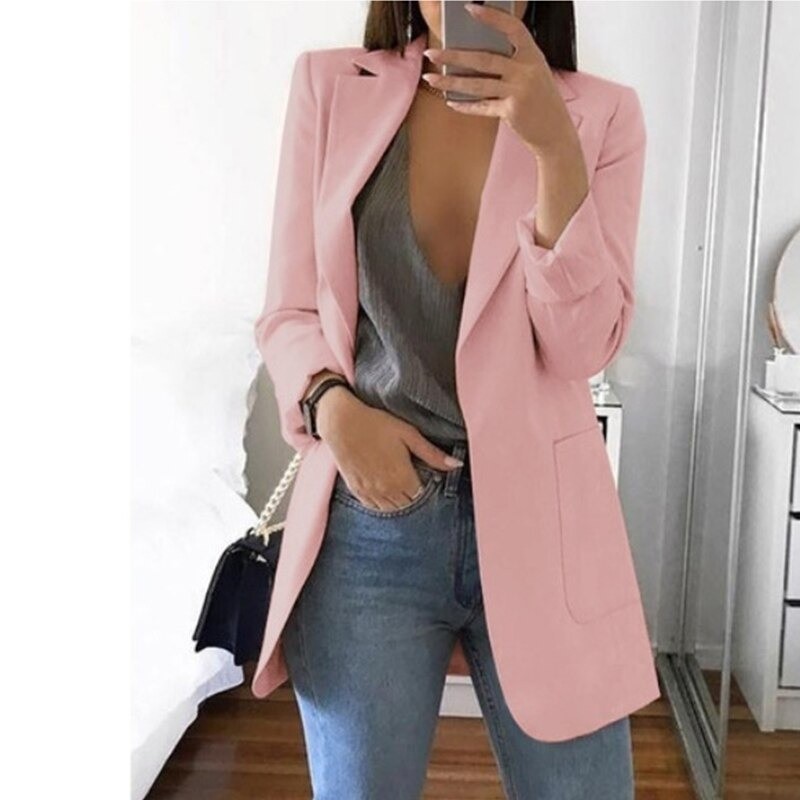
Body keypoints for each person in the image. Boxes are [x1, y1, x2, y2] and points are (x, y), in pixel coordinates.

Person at [253, 1, 658, 797]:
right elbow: (288, 311)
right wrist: (333, 407)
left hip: (544, 526)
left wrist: (555, 149)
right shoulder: (330, 87)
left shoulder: (602, 115)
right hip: (370, 522)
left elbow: (582, 347)